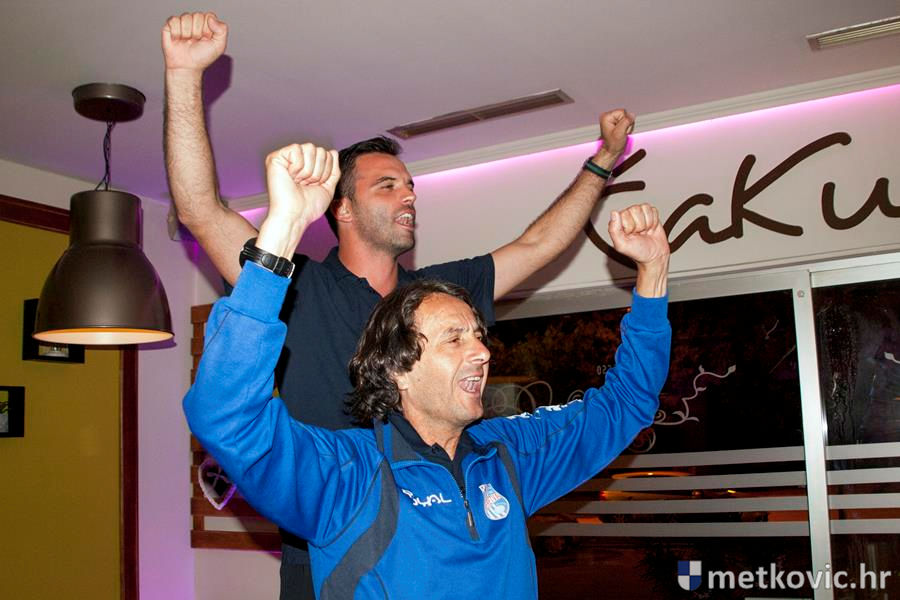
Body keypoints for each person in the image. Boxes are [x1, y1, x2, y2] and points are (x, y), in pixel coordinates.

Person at [163, 11, 636, 598]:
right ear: (342, 209)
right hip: (331, 535)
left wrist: (602, 160)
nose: (408, 193)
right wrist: (184, 75)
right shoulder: (298, 285)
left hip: (435, 544)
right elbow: (200, 210)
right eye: (386, 185)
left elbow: (539, 245)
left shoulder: (441, 298)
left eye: (410, 183)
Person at [183, 144, 671, 598]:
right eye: (454, 339)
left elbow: (627, 402)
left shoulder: (509, 458)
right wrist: (285, 227)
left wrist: (653, 275)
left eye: (478, 335)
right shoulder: (350, 478)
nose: (481, 352)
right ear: (398, 369)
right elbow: (226, 418)